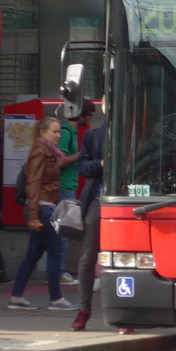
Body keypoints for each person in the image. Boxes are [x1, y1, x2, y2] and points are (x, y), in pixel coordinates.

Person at [8, 117, 75, 310]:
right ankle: (56, 299)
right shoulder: (40, 152)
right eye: (54, 132)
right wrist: (34, 215)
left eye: (59, 132)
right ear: (42, 132)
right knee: (55, 250)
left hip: (43, 207)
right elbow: (34, 184)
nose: (58, 135)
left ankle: (16, 296)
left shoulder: (49, 152)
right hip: (41, 208)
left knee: (33, 253)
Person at [71, 111, 104, 332]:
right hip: (97, 199)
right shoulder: (92, 135)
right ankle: (84, 309)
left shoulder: (136, 133)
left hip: (128, 199)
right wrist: (101, 164)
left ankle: (126, 313)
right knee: (87, 259)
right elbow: (83, 167)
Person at [56, 100, 91, 287]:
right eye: (90, 116)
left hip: (68, 186)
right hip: (64, 187)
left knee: (63, 232)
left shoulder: (70, 132)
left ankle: (58, 271)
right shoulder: (66, 133)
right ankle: (59, 272)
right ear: (83, 116)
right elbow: (60, 162)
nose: (91, 121)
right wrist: (81, 155)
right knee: (64, 230)